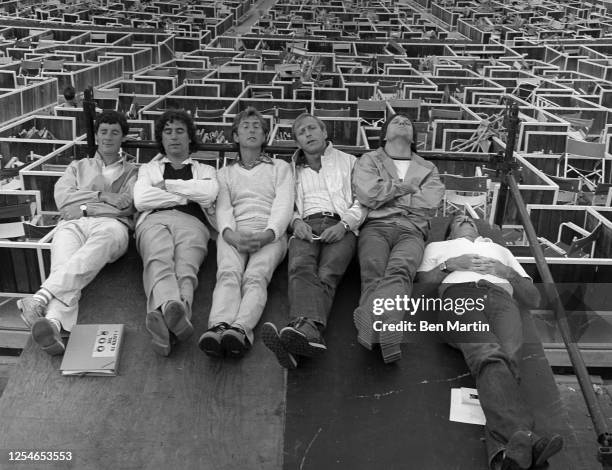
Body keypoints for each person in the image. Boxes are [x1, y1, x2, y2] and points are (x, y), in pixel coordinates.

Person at [416, 214, 563, 470]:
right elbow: (422, 285)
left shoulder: (500, 250)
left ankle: (508, 456)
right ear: (450, 232)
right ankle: (525, 438)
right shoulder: (438, 248)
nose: (468, 219)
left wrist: (507, 272)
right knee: (488, 353)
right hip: (460, 296)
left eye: (471, 219)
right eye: (460, 219)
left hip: (502, 299)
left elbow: (533, 298)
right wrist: (448, 265)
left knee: (509, 365)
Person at [16, 110, 138, 355]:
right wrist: (102, 198)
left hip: (111, 227)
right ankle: (53, 324)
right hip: (74, 223)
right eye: (103, 131)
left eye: (115, 132)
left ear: (123, 137)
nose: (108, 137)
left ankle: (40, 297)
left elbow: (127, 206)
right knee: (64, 261)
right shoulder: (77, 166)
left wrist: (83, 207)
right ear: (97, 134)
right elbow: (63, 199)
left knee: (97, 245)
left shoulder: (133, 171)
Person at [261, 113, 367, 369]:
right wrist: (296, 222)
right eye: (301, 132)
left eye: (311, 129)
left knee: (328, 273)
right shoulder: (290, 169)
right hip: (305, 225)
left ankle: (300, 329)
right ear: (297, 140)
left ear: (324, 132)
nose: (307, 134)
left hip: (339, 225)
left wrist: (344, 225)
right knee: (299, 268)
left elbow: (363, 202)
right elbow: (286, 204)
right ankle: (308, 333)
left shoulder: (350, 162)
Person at [198, 107, 293, 359]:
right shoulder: (225, 173)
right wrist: (229, 234)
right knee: (228, 274)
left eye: (257, 127)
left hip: (269, 233)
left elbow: (284, 204)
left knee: (256, 276)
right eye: (245, 126)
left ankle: (240, 329)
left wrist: (268, 234)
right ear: (236, 136)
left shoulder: (280, 168)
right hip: (234, 233)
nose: (252, 130)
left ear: (264, 137)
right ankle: (218, 326)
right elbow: (224, 208)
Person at [352, 113, 445, 363]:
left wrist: (389, 194)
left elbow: (431, 203)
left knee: (401, 270)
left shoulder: (428, 167)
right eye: (396, 121)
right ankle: (390, 325)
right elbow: (368, 194)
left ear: (414, 137)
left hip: (412, 229)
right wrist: (406, 189)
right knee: (374, 271)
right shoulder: (369, 159)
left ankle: (369, 317)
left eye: (408, 123)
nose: (403, 123)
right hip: (376, 226)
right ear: (384, 134)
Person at [134, 109, 218, 356]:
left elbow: (210, 193)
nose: (173, 136)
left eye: (180, 131)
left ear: (190, 137)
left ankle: (164, 315)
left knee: (186, 266)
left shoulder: (206, 169)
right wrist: (187, 195)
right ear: (161, 138)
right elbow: (141, 199)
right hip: (154, 220)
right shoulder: (148, 169)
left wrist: (168, 186)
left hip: (193, 224)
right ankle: (176, 308)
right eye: (167, 132)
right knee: (158, 256)